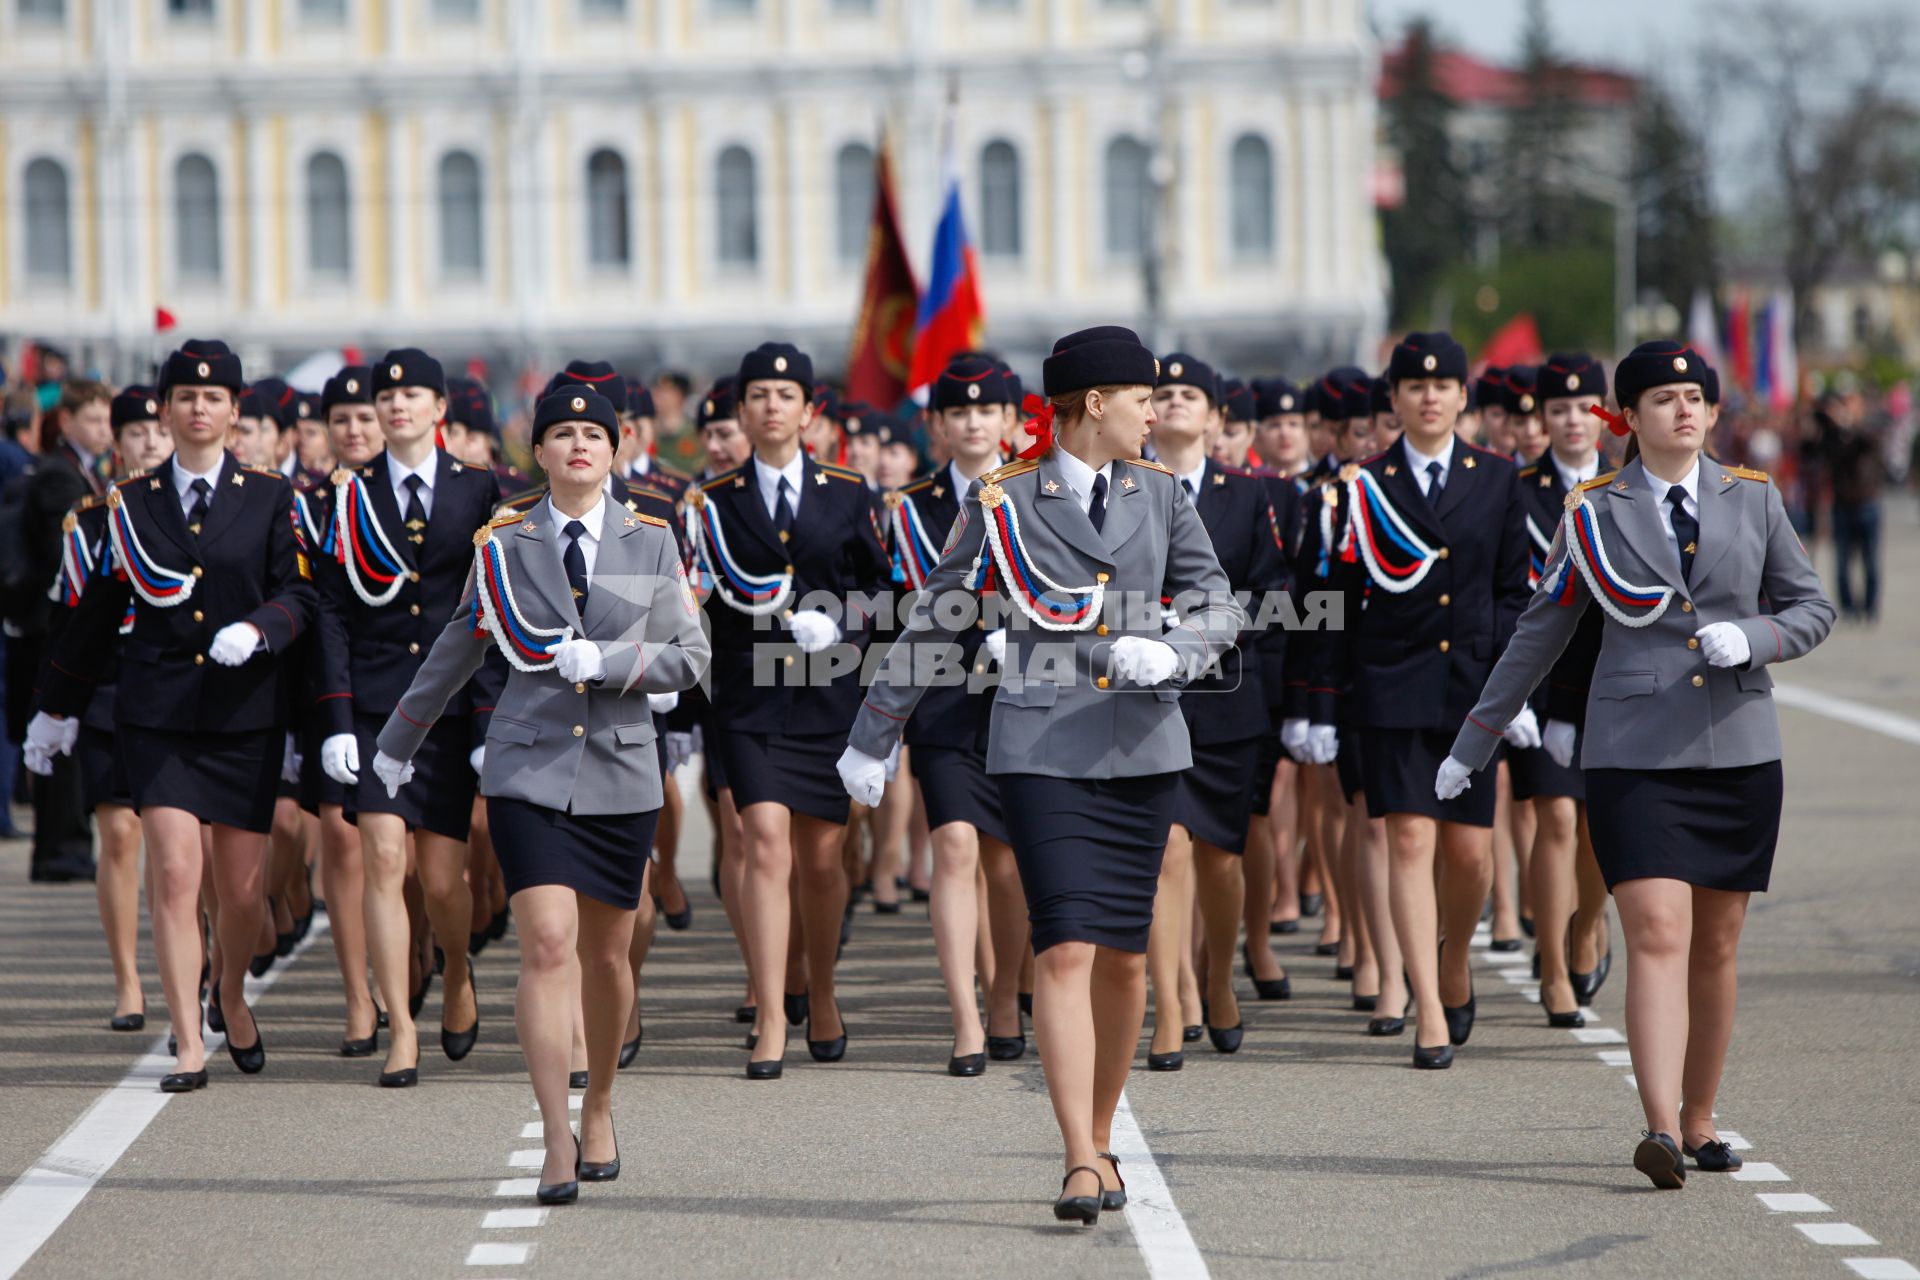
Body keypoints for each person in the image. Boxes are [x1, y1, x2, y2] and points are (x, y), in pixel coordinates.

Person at [839, 325, 1244, 1222]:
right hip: (1042, 749)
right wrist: (875, 733)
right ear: (1096, 403)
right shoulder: (1006, 500)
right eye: (1143, 397)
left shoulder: (1166, 495)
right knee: (1063, 946)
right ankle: (1075, 1157)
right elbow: (939, 615)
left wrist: (1171, 650)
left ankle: (1100, 1132)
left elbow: (1221, 603)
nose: (1157, 412)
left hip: (1141, 748)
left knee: (1127, 963)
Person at [1437, 340, 1834, 1186]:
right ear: (1630, 417)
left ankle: (1700, 1117)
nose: (1683, 410)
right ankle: (1658, 1128)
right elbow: (1538, 634)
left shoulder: (1754, 501)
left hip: (1739, 750)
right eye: (1662, 398)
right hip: (1635, 754)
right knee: (1657, 931)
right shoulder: (1593, 511)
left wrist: (1756, 636)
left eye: (1696, 396)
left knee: (1717, 945)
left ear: (1715, 413)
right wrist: (1474, 742)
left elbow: (1812, 607)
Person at [374, 387, 709, 1204]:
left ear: (616, 448)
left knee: (606, 953)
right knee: (547, 945)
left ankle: (598, 1106)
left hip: (622, 773)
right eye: (562, 434)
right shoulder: (503, 545)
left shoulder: (651, 543)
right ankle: (556, 1136)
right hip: (527, 772)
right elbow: (454, 651)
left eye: (594, 433)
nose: (579, 446)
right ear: (541, 453)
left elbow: (690, 656)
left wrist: (612, 664)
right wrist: (396, 745)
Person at [29, 339, 317, 1092]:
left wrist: (260, 628)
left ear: (233, 410)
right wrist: (53, 710)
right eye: (184, 396)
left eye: (213, 397)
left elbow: (300, 594)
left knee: (244, 894)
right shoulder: (129, 505)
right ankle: (188, 1038)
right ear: (163, 408)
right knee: (176, 876)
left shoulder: (269, 497)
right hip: (156, 716)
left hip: (244, 716)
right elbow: (94, 617)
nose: (198, 408)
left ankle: (228, 992)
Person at [1309, 333, 1530, 1069]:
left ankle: (1454, 956)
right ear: (1395, 400)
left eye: (1444, 385)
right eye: (1414, 386)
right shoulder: (1361, 486)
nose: (1430, 396)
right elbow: (1337, 601)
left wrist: (1511, 682)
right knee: (1408, 838)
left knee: (1470, 857)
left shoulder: (1499, 480)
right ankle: (1428, 1009)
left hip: (1471, 691)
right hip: (1392, 687)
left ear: (1464, 396)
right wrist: (1323, 703)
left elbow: (1511, 592)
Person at [691, 343, 891, 1079]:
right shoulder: (710, 503)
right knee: (764, 839)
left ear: (810, 411)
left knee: (822, 859)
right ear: (742, 411)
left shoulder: (848, 492)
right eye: (759, 395)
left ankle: (824, 989)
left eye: (786, 394)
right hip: (749, 699)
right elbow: (694, 605)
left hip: (829, 695)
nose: (772, 406)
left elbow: (886, 592)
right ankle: (773, 1011)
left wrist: (840, 620)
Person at [314, 348, 501, 1087]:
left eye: (412, 395)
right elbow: (331, 611)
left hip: (450, 708)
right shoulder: (347, 497)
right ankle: (402, 1027)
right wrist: (334, 719)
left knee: (444, 881)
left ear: (439, 408)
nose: (396, 407)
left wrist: (486, 721)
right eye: (386, 396)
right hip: (377, 705)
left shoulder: (480, 488)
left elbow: (499, 610)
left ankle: (456, 970)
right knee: (382, 859)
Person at [1144, 353, 1293, 1069]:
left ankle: (1215, 973)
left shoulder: (1247, 495)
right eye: (1162, 393)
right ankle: (1169, 1006)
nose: (1174, 403)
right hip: (1143, 697)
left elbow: (1273, 589)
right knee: (1166, 849)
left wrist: (1204, 626)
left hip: (1229, 696)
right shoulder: (1121, 488)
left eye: (1188, 394)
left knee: (1221, 862)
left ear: (1216, 417)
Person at [886, 355, 1029, 1073]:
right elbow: (900, 612)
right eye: (958, 411)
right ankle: (967, 1018)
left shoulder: (1040, 491)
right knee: (955, 849)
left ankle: (1006, 995)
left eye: (987, 410)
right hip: (943, 698)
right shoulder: (910, 508)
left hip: (1024, 697)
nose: (973, 421)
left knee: (1008, 867)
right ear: (938, 426)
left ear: (1011, 420)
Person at [31, 385, 175, 1028]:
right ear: (115, 445)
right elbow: (67, 622)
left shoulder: (194, 516)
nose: (148, 442)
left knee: (179, 845)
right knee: (119, 834)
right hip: (108, 688)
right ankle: (128, 981)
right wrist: (52, 707)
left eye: (158, 431)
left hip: (178, 688)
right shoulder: (89, 520)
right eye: (135, 433)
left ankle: (191, 972)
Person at [1509, 354, 1609, 1026]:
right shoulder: (1514, 492)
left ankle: (1585, 926)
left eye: (1584, 407)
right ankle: (1551, 967)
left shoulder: (1630, 486)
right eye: (1558, 409)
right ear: (1542, 418)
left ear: (1604, 412)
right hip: (1542, 684)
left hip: (1611, 682)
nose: (1572, 420)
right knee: (1557, 819)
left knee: (1602, 827)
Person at [15, 379, 114, 883]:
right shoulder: (62, 475)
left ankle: (67, 845)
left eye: (106, 420)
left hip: (63, 620)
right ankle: (60, 848)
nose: (104, 429)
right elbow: (64, 554)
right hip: (53, 622)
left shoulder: (86, 471)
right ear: (67, 421)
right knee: (56, 731)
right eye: (94, 420)